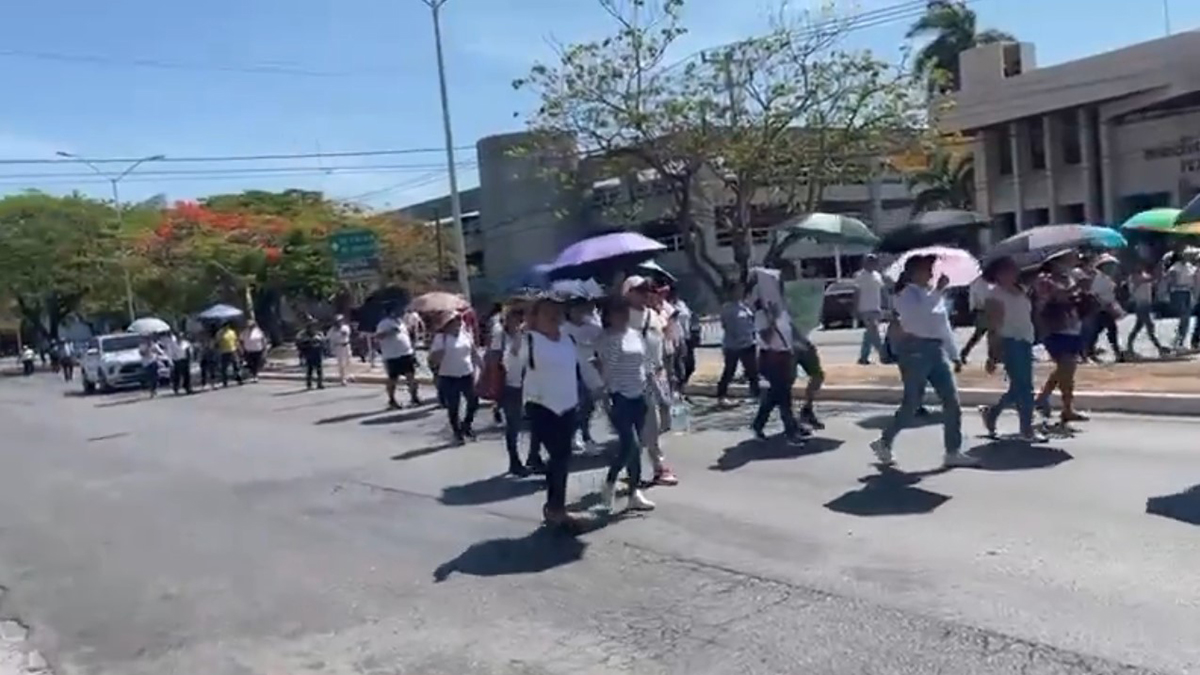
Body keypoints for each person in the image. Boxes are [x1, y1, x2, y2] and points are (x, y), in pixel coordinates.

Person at [870, 255, 977, 468]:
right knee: (912, 403)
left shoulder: (931, 294)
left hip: (936, 350)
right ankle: (885, 441)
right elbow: (918, 316)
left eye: (931, 268)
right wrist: (938, 292)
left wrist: (954, 354)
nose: (930, 273)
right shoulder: (905, 294)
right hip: (914, 351)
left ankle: (953, 451)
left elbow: (942, 325)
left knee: (951, 400)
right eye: (926, 268)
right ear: (913, 272)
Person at [515, 295, 603, 528]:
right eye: (547, 312)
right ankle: (556, 509)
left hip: (568, 405)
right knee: (559, 457)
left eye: (557, 312)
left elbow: (580, 367)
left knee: (561, 458)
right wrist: (516, 340)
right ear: (536, 317)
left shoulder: (567, 339)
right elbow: (513, 366)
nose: (554, 316)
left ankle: (554, 507)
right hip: (541, 406)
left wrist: (597, 386)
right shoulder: (529, 339)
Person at [595, 296, 656, 513]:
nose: (622, 316)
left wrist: (653, 387)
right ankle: (611, 482)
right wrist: (604, 397)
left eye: (625, 311)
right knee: (631, 443)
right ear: (608, 316)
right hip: (619, 397)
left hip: (639, 395)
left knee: (635, 448)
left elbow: (645, 364)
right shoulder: (606, 339)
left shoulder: (635, 335)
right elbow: (605, 371)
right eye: (617, 312)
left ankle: (634, 492)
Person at [978, 257, 1047, 443]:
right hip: (1010, 342)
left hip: (1025, 340)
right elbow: (994, 326)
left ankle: (992, 413)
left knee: (1018, 387)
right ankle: (1027, 429)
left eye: (1013, 269)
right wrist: (992, 354)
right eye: (1007, 270)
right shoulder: (995, 295)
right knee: (1025, 388)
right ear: (997, 274)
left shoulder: (1021, 290)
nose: (1013, 273)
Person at [624, 276, 679, 486]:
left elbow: (663, 343)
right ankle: (656, 467)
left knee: (661, 419)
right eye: (639, 290)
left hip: (657, 375)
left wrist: (668, 372)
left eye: (647, 290)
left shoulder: (654, 315)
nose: (645, 294)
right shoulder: (623, 318)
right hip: (635, 378)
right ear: (628, 293)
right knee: (649, 424)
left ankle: (633, 466)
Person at [747, 267, 807, 443]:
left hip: (784, 356)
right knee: (784, 397)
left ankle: (758, 425)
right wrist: (772, 319)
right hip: (771, 358)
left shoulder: (781, 309)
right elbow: (766, 336)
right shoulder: (761, 313)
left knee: (775, 397)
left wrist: (799, 343)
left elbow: (789, 331)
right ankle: (791, 431)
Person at [1033, 250, 1088, 426]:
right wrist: (1077, 287)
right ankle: (1047, 399)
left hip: (1072, 327)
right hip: (1054, 329)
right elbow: (1056, 296)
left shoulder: (1069, 277)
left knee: (1067, 371)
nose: (1074, 260)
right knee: (1066, 367)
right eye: (1069, 258)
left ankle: (1062, 406)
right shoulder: (1045, 279)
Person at [430, 313, 481, 445]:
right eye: (454, 322)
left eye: (459, 321)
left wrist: (482, 367)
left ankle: (467, 425)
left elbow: (473, 352)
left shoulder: (465, 334)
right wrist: (439, 354)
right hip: (448, 376)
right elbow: (433, 359)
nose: (458, 324)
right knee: (454, 406)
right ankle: (457, 433)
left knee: (474, 402)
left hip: (466, 373)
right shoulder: (441, 338)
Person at [493, 307, 529, 476]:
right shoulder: (501, 336)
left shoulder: (528, 337)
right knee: (513, 426)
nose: (517, 323)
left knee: (533, 425)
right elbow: (499, 359)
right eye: (514, 319)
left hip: (528, 386)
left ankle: (533, 457)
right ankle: (514, 461)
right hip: (510, 387)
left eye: (520, 319)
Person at [563, 298, 602, 451]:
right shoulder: (563, 329)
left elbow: (601, 344)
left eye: (581, 309)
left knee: (589, 406)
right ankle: (576, 435)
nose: (579, 313)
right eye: (575, 309)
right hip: (572, 372)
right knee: (577, 406)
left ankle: (585, 433)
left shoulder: (593, 326)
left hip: (591, 370)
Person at [716, 280, 759, 405]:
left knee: (752, 371)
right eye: (737, 290)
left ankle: (756, 394)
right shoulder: (727, 308)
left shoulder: (744, 306)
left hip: (749, 343)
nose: (739, 293)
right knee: (729, 371)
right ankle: (721, 396)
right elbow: (726, 326)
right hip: (733, 345)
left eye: (741, 290)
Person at [376, 306, 420, 409]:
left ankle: (414, 397)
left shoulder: (401, 322)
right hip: (392, 355)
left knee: (411, 376)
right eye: (396, 311)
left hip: (406, 353)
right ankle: (392, 400)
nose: (400, 312)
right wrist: (389, 332)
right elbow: (378, 336)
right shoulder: (384, 323)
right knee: (393, 379)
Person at [1083, 255, 1123, 362]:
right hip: (1101, 308)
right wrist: (1103, 304)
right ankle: (1116, 352)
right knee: (1109, 329)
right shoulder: (1099, 278)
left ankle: (1089, 351)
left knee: (1100, 330)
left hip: (1106, 307)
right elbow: (1094, 294)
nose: (1113, 269)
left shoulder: (1108, 279)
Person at [1126, 261, 1166, 357]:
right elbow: (1147, 280)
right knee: (1149, 327)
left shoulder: (1144, 275)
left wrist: (1159, 275)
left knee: (1137, 328)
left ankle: (1129, 347)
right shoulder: (1133, 277)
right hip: (1141, 305)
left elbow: (1153, 282)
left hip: (1146, 305)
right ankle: (1159, 347)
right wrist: (1158, 272)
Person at [853, 254, 886, 365]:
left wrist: (884, 306)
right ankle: (884, 355)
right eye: (871, 261)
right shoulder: (860, 276)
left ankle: (863, 357)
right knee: (874, 332)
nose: (873, 264)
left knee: (869, 335)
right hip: (865, 308)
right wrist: (856, 308)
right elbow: (856, 293)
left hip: (876, 307)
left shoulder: (877, 276)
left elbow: (881, 291)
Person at [958, 274, 994, 368]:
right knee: (983, 334)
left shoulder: (984, 281)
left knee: (985, 334)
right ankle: (991, 358)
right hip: (983, 310)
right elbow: (981, 297)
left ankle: (965, 353)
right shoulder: (979, 282)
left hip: (987, 310)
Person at [1165, 250, 1196, 350]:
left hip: (1187, 292)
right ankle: (1177, 341)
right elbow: (1172, 282)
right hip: (1178, 292)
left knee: (1186, 319)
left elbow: (1193, 276)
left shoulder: (1189, 266)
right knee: (1184, 317)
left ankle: (1180, 341)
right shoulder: (1175, 267)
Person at [296, 322, 326, 390]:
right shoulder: (303, 335)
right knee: (310, 370)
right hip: (309, 354)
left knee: (319, 369)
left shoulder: (319, 334)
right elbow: (299, 344)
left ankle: (320, 383)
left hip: (317, 353)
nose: (313, 328)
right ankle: (309, 384)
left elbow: (323, 342)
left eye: (314, 326)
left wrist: (320, 345)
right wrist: (308, 344)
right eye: (311, 326)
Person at [327, 315, 353, 385]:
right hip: (338, 346)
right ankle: (343, 378)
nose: (339, 323)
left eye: (340, 321)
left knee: (348, 361)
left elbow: (346, 334)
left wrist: (340, 331)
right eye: (337, 321)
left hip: (346, 345)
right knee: (341, 363)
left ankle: (348, 375)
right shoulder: (332, 330)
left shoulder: (345, 327)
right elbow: (329, 338)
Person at [215, 322, 243, 387]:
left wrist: (239, 349)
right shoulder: (219, 333)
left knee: (236, 365)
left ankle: (239, 379)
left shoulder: (232, 332)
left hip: (233, 350)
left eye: (228, 325)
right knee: (224, 368)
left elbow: (236, 341)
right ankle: (225, 381)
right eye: (225, 326)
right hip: (224, 352)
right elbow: (216, 343)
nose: (227, 327)